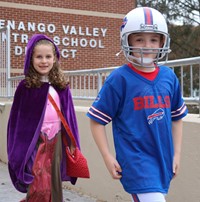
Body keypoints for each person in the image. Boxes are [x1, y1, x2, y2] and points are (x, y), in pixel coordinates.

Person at [87, 7, 188, 202]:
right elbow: (96, 120)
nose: (147, 45)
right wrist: (108, 157)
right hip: (136, 161)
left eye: (153, 39)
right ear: (128, 41)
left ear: (162, 42)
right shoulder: (119, 79)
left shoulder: (169, 77)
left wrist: (176, 154)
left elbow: (177, 118)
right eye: (139, 39)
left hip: (162, 158)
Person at [7, 34, 80, 202]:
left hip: (57, 140)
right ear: (31, 59)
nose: (44, 61)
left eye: (48, 56)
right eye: (39, 57)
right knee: (38, 178)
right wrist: (16, 149)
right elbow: (16, 122)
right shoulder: (25, 87)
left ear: (55, 59)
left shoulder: (61, 86)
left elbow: (70, 117)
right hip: (35, 141)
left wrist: (72, 142)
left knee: (53, 179)